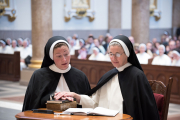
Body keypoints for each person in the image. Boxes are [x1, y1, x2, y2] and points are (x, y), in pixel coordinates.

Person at [55, 35, 160, 120]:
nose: (113, 58)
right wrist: (76, 96)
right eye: (110, 54)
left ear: (127, 53)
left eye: (117, 54)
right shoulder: (109, 75)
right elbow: (94, 103)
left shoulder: (137, 76)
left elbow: (143, 110)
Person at [22, 36, 91, 111]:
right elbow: (33, 104)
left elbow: (89, 103)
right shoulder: (39, 75)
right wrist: (52, 97)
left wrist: (75, 97)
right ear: (51, 57)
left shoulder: (80, 76)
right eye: (59, 56)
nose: (64, 59)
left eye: (66, 54)